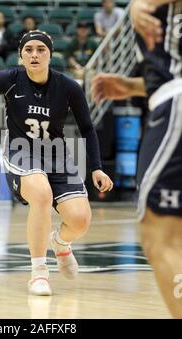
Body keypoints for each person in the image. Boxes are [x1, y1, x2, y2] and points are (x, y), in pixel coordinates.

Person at [0, 30, 113, 296]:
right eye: (29, 50)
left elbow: (87, 128)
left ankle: (61, 243)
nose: (35, 55)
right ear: (21, 55)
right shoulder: (9, 80)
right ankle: (39, 273)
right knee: (41, 194)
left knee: (80, 220)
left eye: (41, 49)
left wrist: (96, 166)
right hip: (21, 153)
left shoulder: (68, 87)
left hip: (57, 156)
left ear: (50, 54)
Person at [91, 0, 182, 319]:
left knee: (161, 235)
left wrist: (142, 4)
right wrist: (131, 85)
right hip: (167, 94)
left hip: (176, 105)